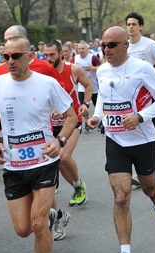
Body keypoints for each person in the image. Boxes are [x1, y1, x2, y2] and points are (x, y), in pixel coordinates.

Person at [0, 37, 77, 253]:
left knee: (37, 225)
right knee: (23, 229)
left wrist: (60, 140)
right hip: (13, 166)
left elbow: (72, 117)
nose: (10, 61)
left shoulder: (46, 83)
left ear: (29, 55)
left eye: (16, 56)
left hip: (43, 162)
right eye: (6, 56)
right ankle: (52, 216)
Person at [87, 26, 155, 253]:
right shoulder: (102, 70)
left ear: (125, 45)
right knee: (121, 197)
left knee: (150, 189)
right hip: (115, 141)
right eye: (103, 45)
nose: (106, 50)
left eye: (111, 45)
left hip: (142, 140)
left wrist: (141, 116)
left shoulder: (142, 68)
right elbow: (103, 96)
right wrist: (97, 116)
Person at [44, 40, 92, 212]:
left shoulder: (74, 69)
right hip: (51, 124)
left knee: (63, 156)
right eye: (46, 55)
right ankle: (76, 185)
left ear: (61, 54)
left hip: (72, 120)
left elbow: (88, 86)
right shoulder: (42, 74)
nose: (48, 59)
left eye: (52, 55)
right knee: (58, 162)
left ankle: (79, 187)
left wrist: (85, 103)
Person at [125, 12, 155, 165]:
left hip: (148, 90)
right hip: (129, 91)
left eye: (134, 24)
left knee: (149, 121)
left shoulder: (150, 45)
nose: (131, 27)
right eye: (129, 24)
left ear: (141, 26)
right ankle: (138, 166)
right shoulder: (124, 45)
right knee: (133, 125)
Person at [74, 40, 102, 132]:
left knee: (97, 104)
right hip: (81, 87)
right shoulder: (75, 58)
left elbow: (102, 67)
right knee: (83, 104)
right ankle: (87, 122)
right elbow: (69, 67)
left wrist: (93, 68)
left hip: (93, 86)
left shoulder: (92, 57)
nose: (81, 50)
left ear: (87, 49)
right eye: (79, 49)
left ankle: (100, 121)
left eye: (83, 48)